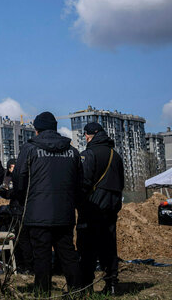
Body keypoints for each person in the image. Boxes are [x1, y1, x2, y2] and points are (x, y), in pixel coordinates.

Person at [12, 111, 83, 296]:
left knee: (41, 256)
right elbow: (79, 183)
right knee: (68, 254)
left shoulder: (29, 149)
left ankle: (42, 293)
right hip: (64, 213)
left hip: (37, 213)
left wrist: (22, 200)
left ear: (37, 130)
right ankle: (77, 291)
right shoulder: (72, 152)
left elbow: (19, 179)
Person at [76, 122, 124, 295]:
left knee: (86, 248)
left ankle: (85, 286)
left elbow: (84, 182)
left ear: (92, 135)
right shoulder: (115, 155)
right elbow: (121, 183)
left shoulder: (89, 154)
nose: (86, 138)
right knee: (109, 246)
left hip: (91, 208)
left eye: (86, 135)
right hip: (111, 208)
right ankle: (112, 285)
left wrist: (78, 201)